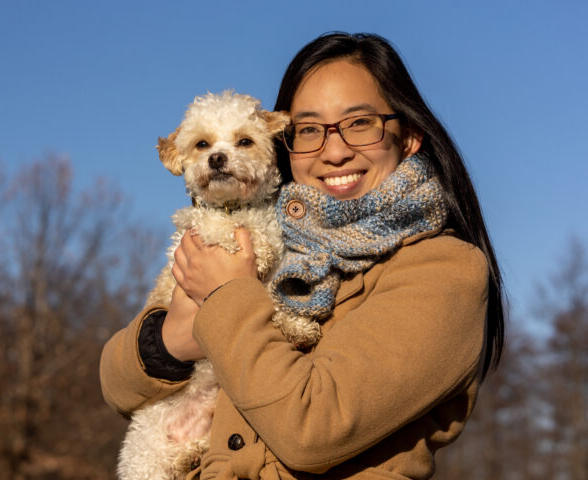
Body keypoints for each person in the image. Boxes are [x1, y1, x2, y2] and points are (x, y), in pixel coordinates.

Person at [100, 32, 504, 480]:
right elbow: (116, 383)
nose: (334, 151)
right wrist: (174, 338)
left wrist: (225, 298)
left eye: (360, 123)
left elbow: (312, 431)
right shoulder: (265, 238)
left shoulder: (445, 270)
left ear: (408, 136)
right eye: (309, 130)